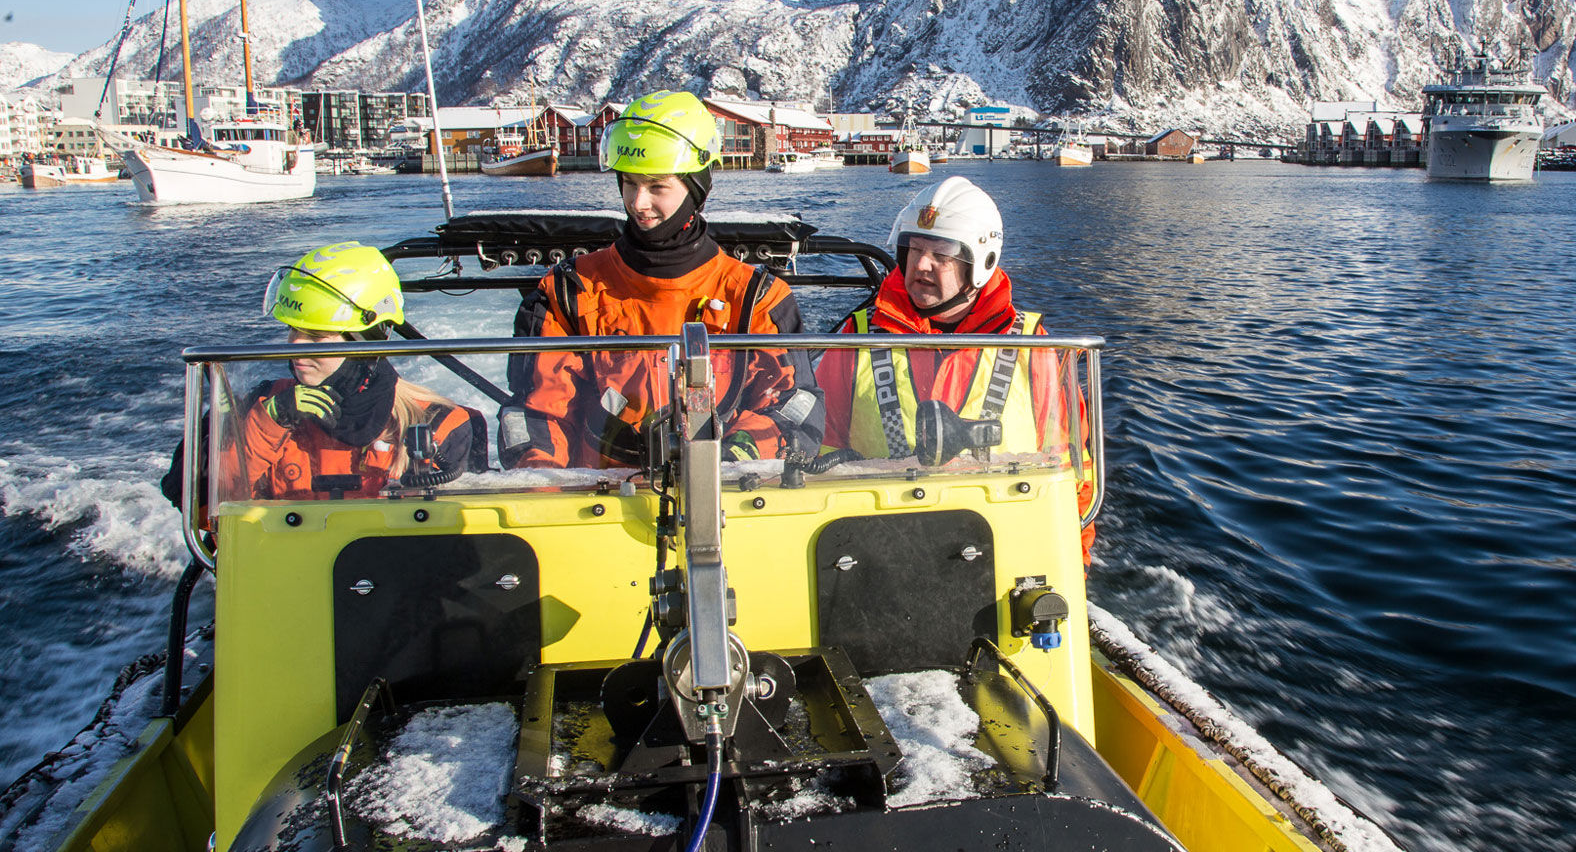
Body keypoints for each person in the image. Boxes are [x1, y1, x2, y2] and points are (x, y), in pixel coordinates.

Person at [502, 89, 821, 469]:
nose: (638, 202)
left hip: (729, 496)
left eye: (657, 186)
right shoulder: (570, 293)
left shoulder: (756, 298)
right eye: (630, 183)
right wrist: (545, 483)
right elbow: (539, 410)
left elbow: (792, 406)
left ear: (695, 187)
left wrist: (735, 459)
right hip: (599, 505)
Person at [814, 176, 1093, 556]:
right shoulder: (856, 337)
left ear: (981, 263)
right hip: (878, 552)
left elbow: (1072, 470)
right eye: (913, 249)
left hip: (1004, 554)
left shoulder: (1034, 346)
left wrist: (1073, 564)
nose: (921, 264)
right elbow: (818, 451)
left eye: (941, 252)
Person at [230, 242, 479, 500]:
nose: (295, 345)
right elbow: (210, 511)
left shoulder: (440, 425)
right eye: (293, 329)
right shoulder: (259, 409)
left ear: (363, 343)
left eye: (316, 335)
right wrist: (268, 423)